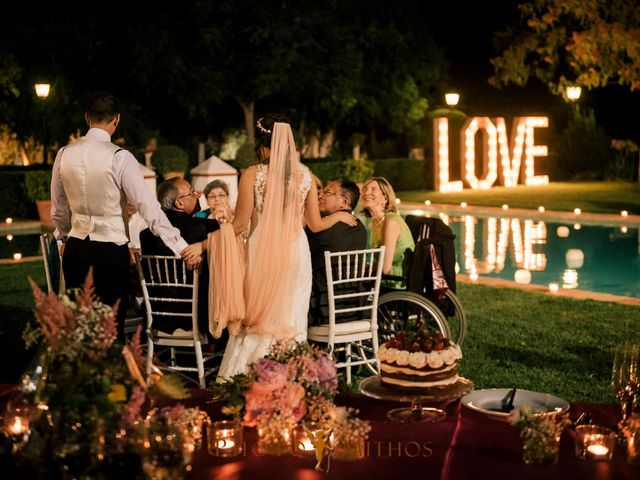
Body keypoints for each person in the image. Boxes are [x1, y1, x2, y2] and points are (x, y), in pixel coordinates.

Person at [184, 114, 356, 379]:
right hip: (296, 256)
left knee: (258, 321)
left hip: (261, 253)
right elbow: (316, 224)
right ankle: (291, 382)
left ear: (263, 144)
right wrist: (337, 215)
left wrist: (204, 245)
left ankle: (247, 381)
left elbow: (239, 226)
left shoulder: (253, 174)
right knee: (291, 317)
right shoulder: (306, 177)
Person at [51, 91, 194, 342]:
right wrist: (181, 247)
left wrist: (64, 239)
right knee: (110, 327)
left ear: (87, 118)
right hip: (110, 252)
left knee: (80, 329)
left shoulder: (64, 154)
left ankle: (81, 379)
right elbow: (148, 207)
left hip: (76, 250)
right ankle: (110, 379)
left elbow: (59, 209)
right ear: (117, 120)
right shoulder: (120, 157)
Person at [139, 177, 222, 346]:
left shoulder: (146, 235)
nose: (198, 195)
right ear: (179, 203)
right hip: (198, 315)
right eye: (192, 192)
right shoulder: (208, 228)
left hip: (160, 315)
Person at [306, 177, 367, 326]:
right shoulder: (360, 229)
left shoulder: (321, 229)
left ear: (344, 201)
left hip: (321, 308)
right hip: (353, 306)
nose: (320, 196)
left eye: (327, 192)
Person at [360, 176, 415, 290]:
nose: (367, 192)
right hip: (384, 279)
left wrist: (364, 270)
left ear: (385, 198)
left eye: (373, 189)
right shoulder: (374, 223)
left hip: (396, 282)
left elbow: (384, 268)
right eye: (365, 189)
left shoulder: (391, 222)